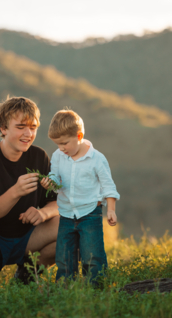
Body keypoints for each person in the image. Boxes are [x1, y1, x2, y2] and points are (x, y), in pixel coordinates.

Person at [0, 97, 59, 283]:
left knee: (70, 227)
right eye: (20, 127)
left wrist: (43, 213)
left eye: (33, 127)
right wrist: (15, 191)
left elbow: (57, 202)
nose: (28, 133)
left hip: (28, 237)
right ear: (3, 128)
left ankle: (27, 274)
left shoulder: (39, 156)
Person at [40, 109, 119, 285]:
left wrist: (111, 210)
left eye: (65, 143)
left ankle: (96, 288)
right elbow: (55, 175)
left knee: (92, 255)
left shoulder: (96, 159)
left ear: (79, 135)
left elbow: (108, 186)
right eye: (57, 144)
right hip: (66, 214)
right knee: (64, 256)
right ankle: (65, 289)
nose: (61, 148)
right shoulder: (58, 156)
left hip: (90, 213)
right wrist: (50, 182)